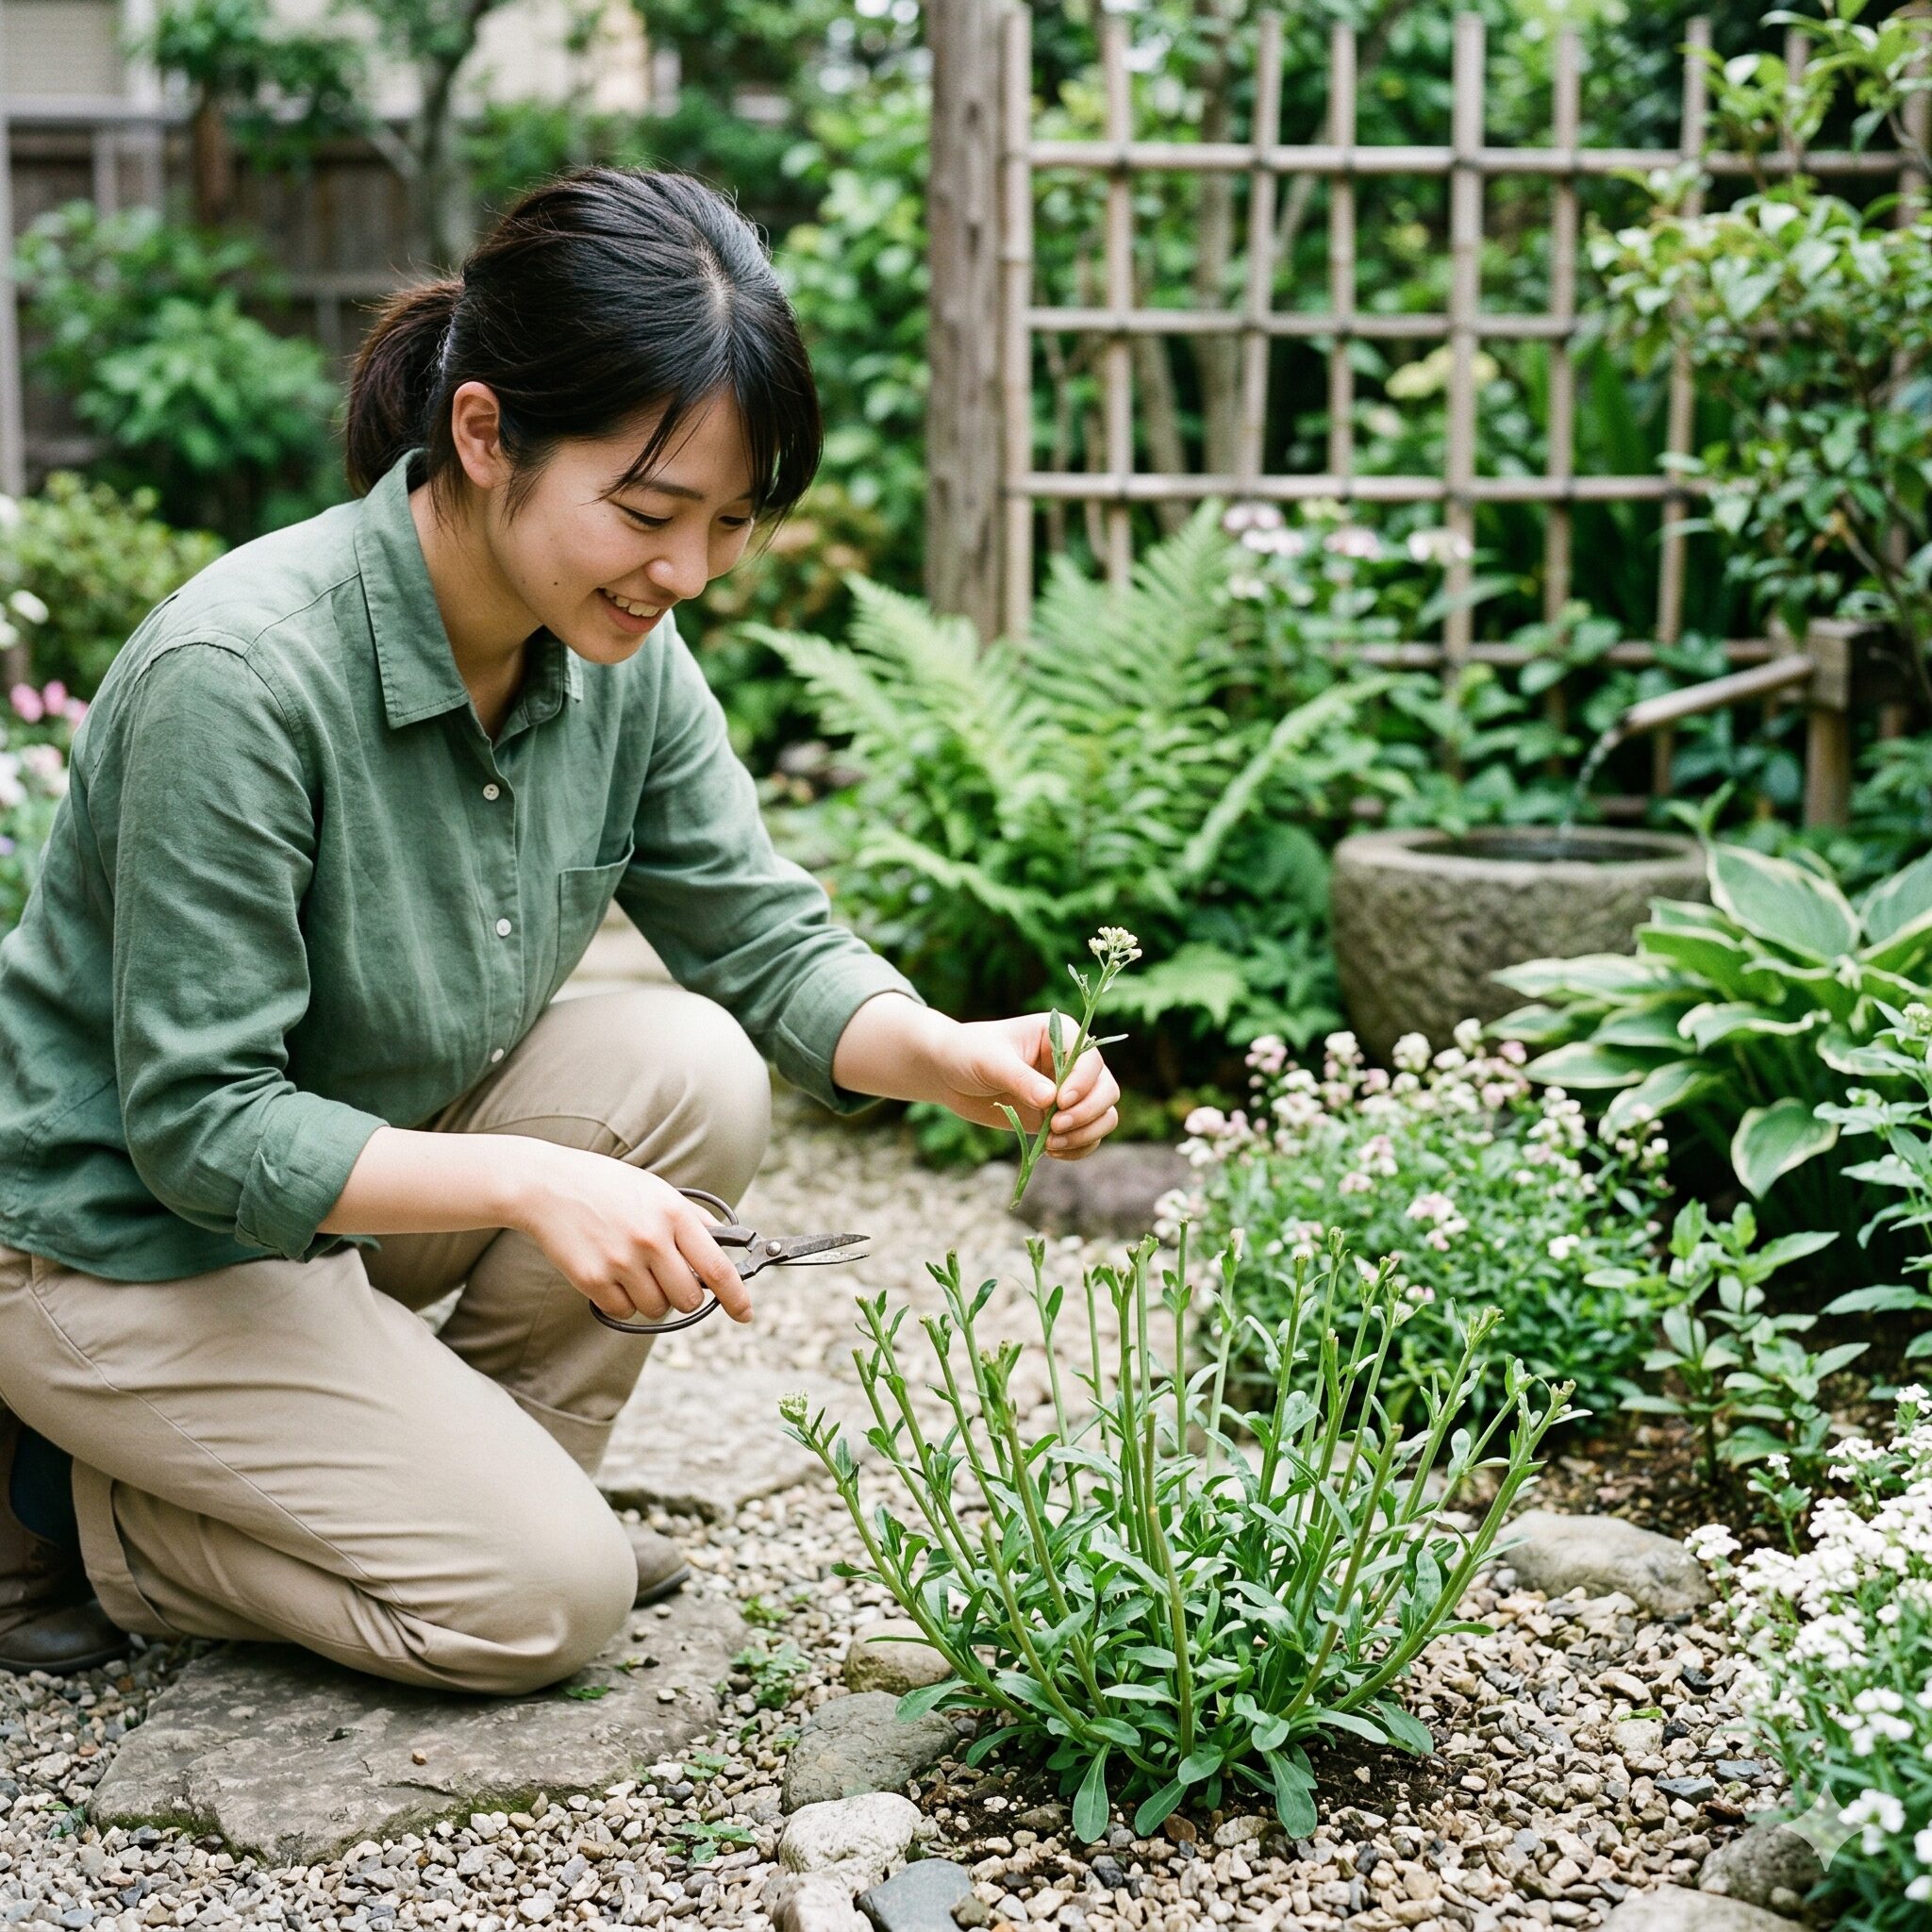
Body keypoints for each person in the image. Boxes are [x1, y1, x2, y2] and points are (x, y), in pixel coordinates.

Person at [0, 168, 1121, 1691]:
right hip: (122, 1252)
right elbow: (200, 1127)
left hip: (338, 1208)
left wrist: (947, 1053)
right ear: (483, 435)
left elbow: (760, 935)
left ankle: (486, 1491)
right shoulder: (242, 675)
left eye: (731, 523)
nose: (688, 572)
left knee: (690, 1066)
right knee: (538, 1611)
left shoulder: (617, 650)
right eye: (648, 514)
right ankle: (70, 1511)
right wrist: (535, 1181)